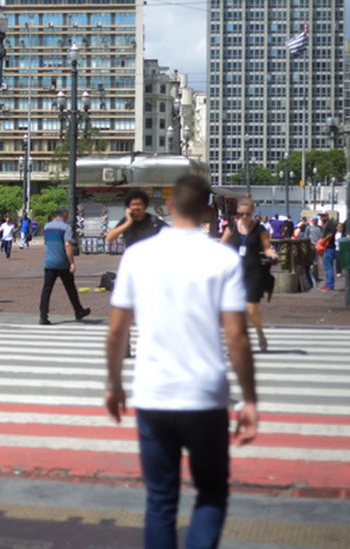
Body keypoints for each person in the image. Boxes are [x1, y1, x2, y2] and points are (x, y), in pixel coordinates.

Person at [105, 174, 258, 549]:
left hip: (153, 394)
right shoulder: (221, 258)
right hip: (205, 397)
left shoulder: (138, 256)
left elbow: (116, 332)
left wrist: (114, 384)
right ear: (208, 209)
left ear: (169, 207)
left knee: (160, 500)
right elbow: (237, 336)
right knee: (210, 492)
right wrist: (250, 398)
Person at [220, 196, 279, 351]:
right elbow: (222, 245)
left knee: (252, 308)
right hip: (234, 272)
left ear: (252, 212)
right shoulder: (232, 227)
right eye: (241, 214)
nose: (244, 217)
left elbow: (266, 247)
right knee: (233, 309)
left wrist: (271, 254)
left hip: (253, 271)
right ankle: (236, 341)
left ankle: (259, 332)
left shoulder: (260, 229)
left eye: (247, 214)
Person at [38, 207, 91, 325]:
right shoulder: (66, 228)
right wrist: (72, 262)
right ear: (64, 214)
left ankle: (43, 315)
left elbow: (47, 243)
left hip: (49, 262)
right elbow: (67, 245)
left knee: (46, 290)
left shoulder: (47, 227)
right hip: (62, 263)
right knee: (70, 288)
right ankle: (78, 311)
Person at [319, 211, 337, 291]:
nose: (321, 218)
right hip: (328, 247)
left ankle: (330, 285)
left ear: (326, 216)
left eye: (322, 216)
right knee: (327, 267)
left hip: (329, 247)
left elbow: (331, 233)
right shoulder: (327, 223)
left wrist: (324, 240)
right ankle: (328, 284)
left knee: (328, 267)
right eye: (321, 216)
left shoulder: (329, 223)